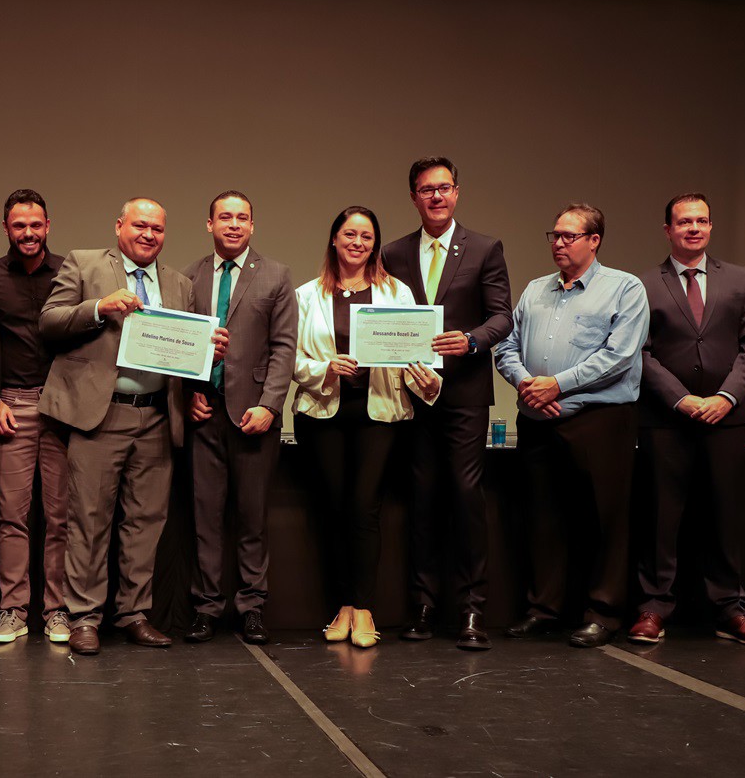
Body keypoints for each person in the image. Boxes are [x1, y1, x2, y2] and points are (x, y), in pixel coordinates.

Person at [39, 197, 212, 656]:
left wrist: (210, 351)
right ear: (119, 226)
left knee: (145, 523)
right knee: (89, 521)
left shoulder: (179, 284)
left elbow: (183, 354)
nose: (149, 234)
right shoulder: (85, 263)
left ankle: (134, 614)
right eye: (140, 225)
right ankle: (84, 619)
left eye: (157, 228)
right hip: (101, 415)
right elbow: (50, 323)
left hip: (158, 414)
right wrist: (99, 307)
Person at [495, 203, 649, 648]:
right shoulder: (535, 290)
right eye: (554, 236)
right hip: (538, 418)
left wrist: (557, 386)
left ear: (594, 240)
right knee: (543, 519)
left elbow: (620, 355)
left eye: (569, 236)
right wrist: (527, 386)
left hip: (599, 420)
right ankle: (545, 609)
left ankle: (602, 612)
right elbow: (507, 346)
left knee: (604, 520)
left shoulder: (624, 288)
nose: (558, 243)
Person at [292, 207, 441, 649]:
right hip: (322, 412)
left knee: (364, 507)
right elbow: (291, 359)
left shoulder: (397, 293)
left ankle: (363, 606)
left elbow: (419, 352)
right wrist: (325, 367)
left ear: (375, 245)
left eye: (367, 237)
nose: (358, 242)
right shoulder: (306, 295)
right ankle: (342, 607)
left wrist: (430, 377)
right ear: (334, 239)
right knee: (335, 508)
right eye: (350, 234)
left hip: (380, 413)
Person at [631, 193, 745, 646]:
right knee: (660, 518)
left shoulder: (739, 278)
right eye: (684, 221)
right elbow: (641, 352)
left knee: (725, 515)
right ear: (668, 230)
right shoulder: (642, 284)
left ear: (711, 227)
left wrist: (726, 396)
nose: (694, 228)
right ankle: (654, 608)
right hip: (666, 418)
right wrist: (683, 400)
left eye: (702, 221)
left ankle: (732, 608)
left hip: (727, 418)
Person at [381, 156, 511, 651]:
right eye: (425, 189)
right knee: (422, 499)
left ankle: (472, 608)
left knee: (465, 497)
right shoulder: (392, 253)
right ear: (413, 197)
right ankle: (423, 606)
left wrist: (473, 341)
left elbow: (502, 317)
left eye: (444, 188)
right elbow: (380, 316)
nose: (436, 196)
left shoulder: (483, 248)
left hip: (463, 395)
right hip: (412, 393)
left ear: (457, 193)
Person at [182, 190, 297, 646]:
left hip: (254, 416)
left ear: (253, 226)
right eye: (224, 217)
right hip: (202, 414)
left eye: (242, 218)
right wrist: (188, 392)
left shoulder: (276, 275)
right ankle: (207, 608)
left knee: (253, 519)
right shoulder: (186, 277)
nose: (233, 224)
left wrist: (270, 405)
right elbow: (178, 344)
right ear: (208, 224)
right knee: (204, 519)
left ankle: (252, 607)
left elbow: (285, 346)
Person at [0, 189, 70, 644]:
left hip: (64, 408)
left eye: (36, 225)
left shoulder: (72, 273)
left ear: (48, 226)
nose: (28, 233)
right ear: (6, 228)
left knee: (61, 516)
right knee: (13, 516)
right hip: (11, 405)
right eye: (18, 225)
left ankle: (58, 612)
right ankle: (12, 611)